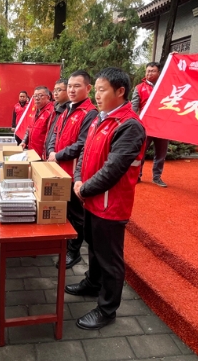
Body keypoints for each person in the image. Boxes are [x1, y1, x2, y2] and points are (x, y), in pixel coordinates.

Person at [66, 67, 146, 330]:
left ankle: (107, 309)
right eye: (97, 90)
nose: (97, 96)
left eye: (102, 90)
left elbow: (113, 169)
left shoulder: (129, 126)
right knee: (93, 247)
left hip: (111, 205)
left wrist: (83, 189)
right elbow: (84, 154)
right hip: (91, 200)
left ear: (120, 91)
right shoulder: (101, 119)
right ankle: (92, 283)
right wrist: (79, 180)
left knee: (110, 259)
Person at [47, 70, 98, 268]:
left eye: (77, 86)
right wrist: (51, 151)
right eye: (69, 86)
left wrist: (58, 155)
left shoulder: (90, 113)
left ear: (88, 88)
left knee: (77, 214)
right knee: (63, 210)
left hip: (74, 173)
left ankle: (74, 251)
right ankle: (64, 244)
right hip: (58, 170)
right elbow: (55, 134)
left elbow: (82, 144)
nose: (72, 90)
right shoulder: (66, 109)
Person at [131, 62, 168, 187]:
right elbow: (134, 108)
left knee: (161, 153)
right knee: (140, 152)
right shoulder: (139, 88)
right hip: (145, 126)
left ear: (159, 73)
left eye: (153, 71)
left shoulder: (165, 87)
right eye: (148, 71)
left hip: (162, 126)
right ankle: (137, 175)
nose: (149, 73)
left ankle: (157, 177)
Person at [20, 86, 54, 159]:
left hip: (43, 154)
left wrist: (47, 154)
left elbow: (52, 136)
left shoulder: (52, 112)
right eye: (35, 96)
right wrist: (24, 141)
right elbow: (29, 127)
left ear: (48, 97)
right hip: (32, 151)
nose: (37, 98)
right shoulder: (35, 110)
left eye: (40, 95)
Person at [45, 79, 69, 158]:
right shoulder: (55, 108)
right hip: (50, 153)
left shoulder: (69, 110)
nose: (55, 93)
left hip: (59, 156)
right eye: (54, 90)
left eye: (59, 90)